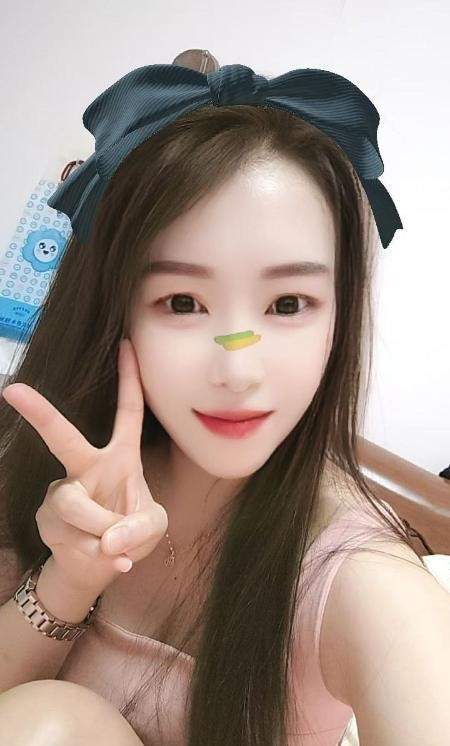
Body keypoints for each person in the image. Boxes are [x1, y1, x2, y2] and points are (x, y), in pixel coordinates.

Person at [0, 55, 449, 746]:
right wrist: (71, 578)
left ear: (340, 313)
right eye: (183, 302)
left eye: (288, 303)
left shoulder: (361, 580)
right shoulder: (66, 483)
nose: (238, 371)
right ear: (115, 312)